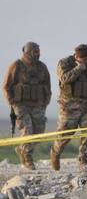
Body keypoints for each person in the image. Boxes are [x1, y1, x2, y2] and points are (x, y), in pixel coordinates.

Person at [2, 42, 51, 170]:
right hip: (21, 105)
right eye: (35, 52)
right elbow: (6, 86)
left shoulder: (42, 67)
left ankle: (22, 149)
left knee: (39, 133)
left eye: (38, 52)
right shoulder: (16, 65)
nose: (38, 54)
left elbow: (47, 85)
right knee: (27, 130)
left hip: (38, 104)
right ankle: (27, 157)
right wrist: (12, 102)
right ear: (28, 52)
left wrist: (46, 101)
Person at [50, 44, 87, 170]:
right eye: (84, 59)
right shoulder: (64, 63)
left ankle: (83, 161)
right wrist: (78, 68)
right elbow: (64, 79)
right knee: (65, 134)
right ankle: (55, 153)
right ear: (77, 57)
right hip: (69, 106)